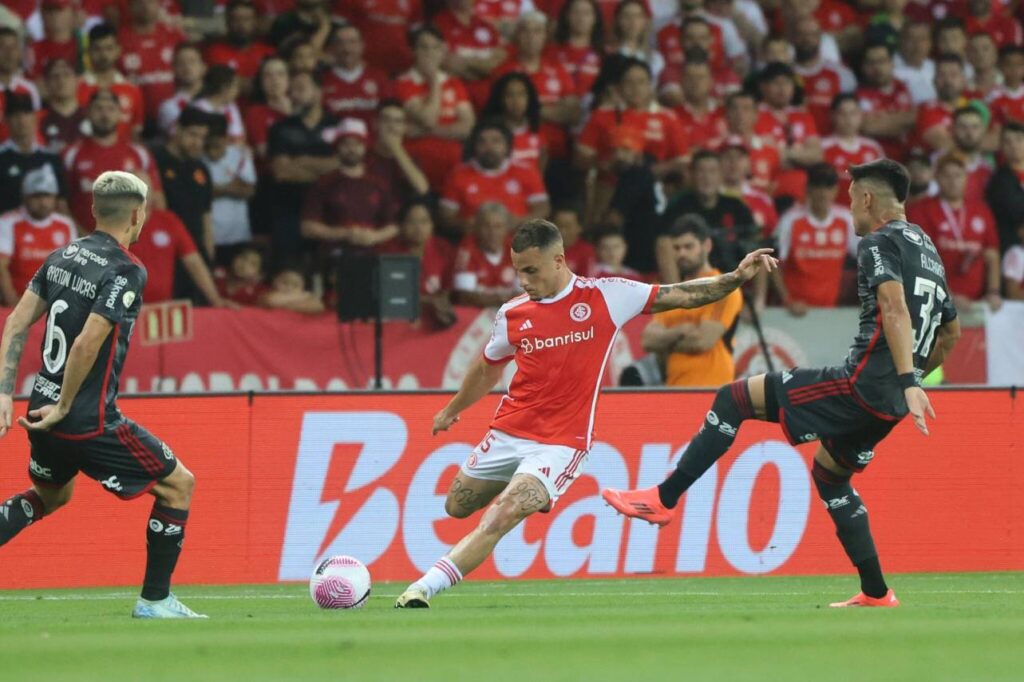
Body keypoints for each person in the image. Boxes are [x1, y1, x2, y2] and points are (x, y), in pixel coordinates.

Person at [603, 159, 962, 608]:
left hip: (863, 387)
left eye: (850, 200)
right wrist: (909, 383)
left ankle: (663, 497)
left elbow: (893, 308)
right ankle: (875, 591)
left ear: (867, 199)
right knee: (831, 476)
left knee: (732, 398)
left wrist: (905, 379)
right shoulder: (928, 250)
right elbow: (950, 333)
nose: (849, 210)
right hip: (888, 402)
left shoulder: (877, 242)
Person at [394, 218, 776, 608]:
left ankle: (422, 588)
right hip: (509, 431)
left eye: (531, 270)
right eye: (518, 271)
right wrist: (451, 410)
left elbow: (680, 294)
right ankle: (527, 486)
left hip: (561, 442)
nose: (524, 280)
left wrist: (735, 276)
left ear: (558, 260)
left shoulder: (607, 296)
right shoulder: (512, 314)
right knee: (456, 506)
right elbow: (487, 367)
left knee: (501, 516)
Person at [0, 170, 204, 619]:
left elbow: (15, 323)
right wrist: (68, 407)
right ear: (138, 214)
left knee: (52, 497)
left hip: (39, 412)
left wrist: (3, 394)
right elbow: (88, 342)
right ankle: (155, 602)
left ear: (93, 210)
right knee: (178, 485)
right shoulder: (126, 269)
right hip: (84, 419)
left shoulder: (61, 256)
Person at [641, 215, 743, 387]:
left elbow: (702, 341)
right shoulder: (673, 292)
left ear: (707, 246)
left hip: (711, 389)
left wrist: (665, 342)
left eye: (688, 246)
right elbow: (647, 341)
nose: (682, 253)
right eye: (676, 248)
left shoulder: (723, 288)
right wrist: (680, 332)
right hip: (674, 390)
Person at [907, 153, 1001, 311]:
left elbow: (992, 255)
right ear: (936, 178)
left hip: (975, 304)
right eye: (946, 176)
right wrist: (946, 296)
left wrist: (993, 292)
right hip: (933, 304)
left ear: (967, 178)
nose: (952, 182)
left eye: (958, 176)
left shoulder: (981, 211)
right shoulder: (920, 210)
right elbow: (921, 258)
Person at [63, 89, 166, 233]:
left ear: (120, 114)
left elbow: (157, 200)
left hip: (130, 244)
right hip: (84, 244)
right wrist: (82, 238)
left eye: (111, 109)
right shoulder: (71, 154)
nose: (105, 115)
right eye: (99, 109)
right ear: (87, 113)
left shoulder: (139, 154)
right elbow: (61, 204)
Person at [439, 119, 549, 236]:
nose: (489, 147)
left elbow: (543, 209)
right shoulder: (458, 174)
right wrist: (465, 224)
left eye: (496, 141)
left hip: (519, 240)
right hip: (473, 242)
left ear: (507, 146)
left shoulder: (527, 171)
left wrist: (518, 221)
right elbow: (445, 217)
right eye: (482, 142)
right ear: (474, 146)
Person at [772, 162, 857, 313]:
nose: (823, 192)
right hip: (795, 311)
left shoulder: (846, 220)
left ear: (836, 190)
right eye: (818, 186)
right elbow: (772, 262)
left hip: (830, 311)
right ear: (808, 189)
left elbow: (868, 259)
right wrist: (788, 300)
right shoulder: (790, 220)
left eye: (828, 186)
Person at [0, 167, 76, 305]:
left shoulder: (65, 224)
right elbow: (1, 267)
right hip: (18, 302)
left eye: (47, 196)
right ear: (25, 197)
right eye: (36, 196)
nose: (42, 202)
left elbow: (73, 268)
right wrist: (14, 306)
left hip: (55, 303)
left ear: (55, 197)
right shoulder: (8, 222)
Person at [0, 93, 68, 215]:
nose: (21, 120)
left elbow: (61, 204)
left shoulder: (52, 158)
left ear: (35, 118)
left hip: (45, 231)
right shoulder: (2, 158)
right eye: (15, 115)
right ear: (6, 120)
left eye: (26, 113)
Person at [77, 23, 145, 142]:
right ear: (88, 52)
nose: (104, 55)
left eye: (109, 48)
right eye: (97, 49)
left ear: (118, 50)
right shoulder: (76, 87)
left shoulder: (132, 90)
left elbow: (135, 134)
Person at [452, 202, 520, 308]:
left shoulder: (516, 248)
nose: (492, 232)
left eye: (498, 226)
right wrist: (503, 298)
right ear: (477, 227)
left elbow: (525, 294)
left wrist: (490, 298)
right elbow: (465, 296)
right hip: (475, 316)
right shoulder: (467, 247)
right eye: (486, 226)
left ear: (506, 228)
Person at [39, 58, 85, 154]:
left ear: (78, 80)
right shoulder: (38, 119)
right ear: (46, 83)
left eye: (66, 75)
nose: (61, 80)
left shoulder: (91, 116)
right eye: (55, 76)